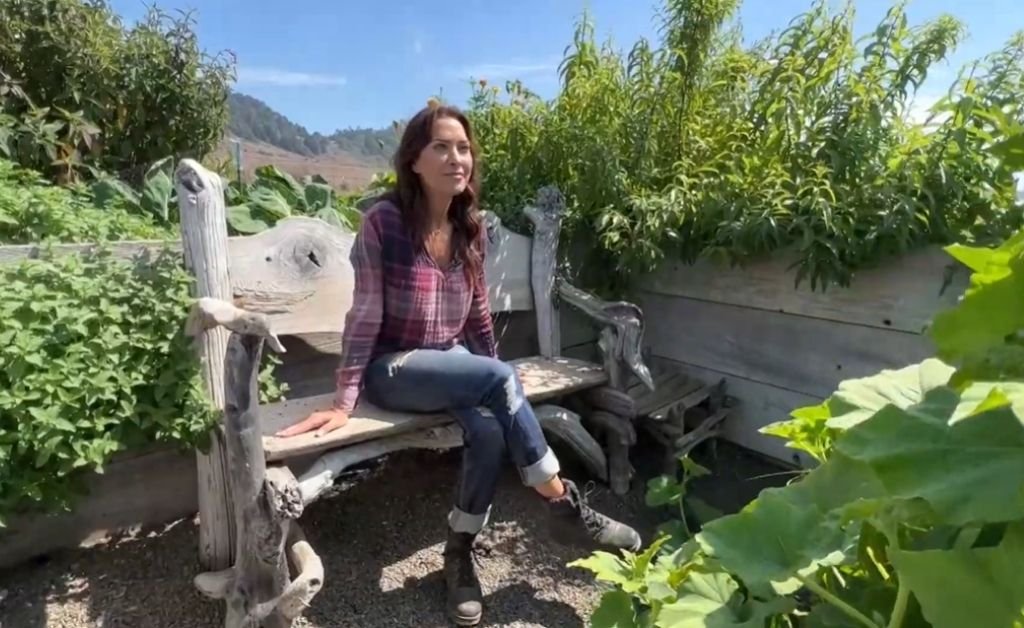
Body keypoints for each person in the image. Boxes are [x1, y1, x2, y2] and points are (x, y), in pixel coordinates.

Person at [274, 101, 642, 626]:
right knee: (499, 380)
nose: (456, 158)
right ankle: (562, 505)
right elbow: (365, 311)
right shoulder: (384, 222)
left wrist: (495, 385)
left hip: (451, 362)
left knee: (489, 429)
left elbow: (477, 314)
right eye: (441, 147)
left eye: (464, 148)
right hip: (393, 369)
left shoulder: (470, 228)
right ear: (414, 161)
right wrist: (344, 399)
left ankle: (458, 553)